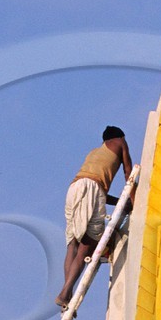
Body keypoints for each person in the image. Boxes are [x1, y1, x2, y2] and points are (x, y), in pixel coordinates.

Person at [57, 125, 133, 307]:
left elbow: (98, 192)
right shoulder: (120, 142)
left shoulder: (94, 153)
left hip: (74, 188)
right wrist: (133, 198)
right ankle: (65, 292)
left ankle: (67, 290)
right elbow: (128, 172)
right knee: (86, 246)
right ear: (119, 137)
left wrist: (120, 202)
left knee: (72, 244)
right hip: (93, 188)